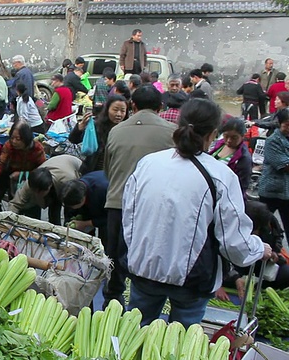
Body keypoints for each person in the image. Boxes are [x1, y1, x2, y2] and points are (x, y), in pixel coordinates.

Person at [122, 98, 270, 327]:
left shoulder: (148, 164)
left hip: (145, 269)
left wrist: (139, 252)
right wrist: (259, 248)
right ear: (213, 134)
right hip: (191, 280)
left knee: (134, 334)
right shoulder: (220, 175)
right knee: (181, 343)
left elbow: (129, 218)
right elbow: (233, 242)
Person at [103, 86, 176, 308]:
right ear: (160, 107)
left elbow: (109, 169)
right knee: (147, 256)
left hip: (118, 202)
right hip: (153, 207)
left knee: (114, 256)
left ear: (132, 106)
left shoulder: (116, 131)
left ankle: (112, 300)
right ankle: (141, 305)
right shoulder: (173, 132)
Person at [9, 155, 82, 225]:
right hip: (58, 167)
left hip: (75, 167)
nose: (37, 194)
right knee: (53, 211)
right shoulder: (30, 183)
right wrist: (8, 220)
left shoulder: (67, 181)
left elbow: (79, 196)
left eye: (40, 192)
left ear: (49, 186)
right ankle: (54, 232)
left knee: (69, 210)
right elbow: (15, 204)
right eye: (35, 191)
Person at [0, 121, 46, 196]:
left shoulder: (37, 149)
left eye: (18, 139)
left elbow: (42, 170)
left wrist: (22, 175)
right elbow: (0, 163)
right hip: (11, 175)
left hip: (30, 177)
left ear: (26, 139)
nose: (14, 141)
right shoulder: (8, 145)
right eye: (12, 138)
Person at [70, 95, 128, 175]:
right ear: (107, 109)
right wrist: (80, 127)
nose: (119, 114)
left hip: (114, 174)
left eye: (123, 111)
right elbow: (73, 140)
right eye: (115, 110)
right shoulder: (97, 126)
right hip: (92, 172)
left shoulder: (127, 130)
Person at [258, 109, 289, 243]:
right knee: (263, 226)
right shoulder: (273, 141)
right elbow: (284, 166)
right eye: (287, 124)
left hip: (287, 193)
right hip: (271, 191)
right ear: (280, 123)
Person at [209, 117, 253, 196]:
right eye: (226, 136)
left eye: (234, 138)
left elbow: (241, 186)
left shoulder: (243, 158)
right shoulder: (218, 145)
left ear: (242, 137)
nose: (229, 140)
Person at [61, 170, 109, 237]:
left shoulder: (101, 191)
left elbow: (108, 218)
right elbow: (69, 214)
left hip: (112, 202)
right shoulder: (73, 190)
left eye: (72, 206)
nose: (70, 208)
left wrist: (85, 224)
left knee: (106, 234)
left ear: (82, 199)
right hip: (93, 200)